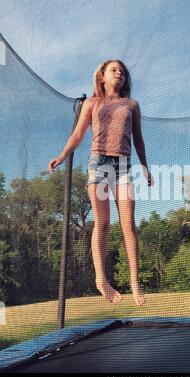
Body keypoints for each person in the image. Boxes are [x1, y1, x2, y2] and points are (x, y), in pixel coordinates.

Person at [48, 60, 154, 306]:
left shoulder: (132, 105)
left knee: (128, 223)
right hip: (99, 163)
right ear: (102, 77)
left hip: (124, 165)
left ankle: (135, 282)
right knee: (103, 222)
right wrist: (62, 155)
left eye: (122, 72)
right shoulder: (92, 103)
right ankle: (101, 279)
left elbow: (138, 139)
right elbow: (78, 134)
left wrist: (145, 166)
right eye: (113, 70)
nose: (119, 73)